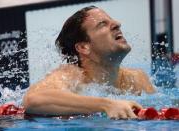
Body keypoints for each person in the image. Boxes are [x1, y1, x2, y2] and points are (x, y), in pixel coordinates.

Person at [23, 6, 155, 119]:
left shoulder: (137, 79)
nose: (117, 23)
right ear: (83, 47)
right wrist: (106, 105)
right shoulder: (72, 75)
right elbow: (33, 99)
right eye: (102, 24)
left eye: (111, 20)